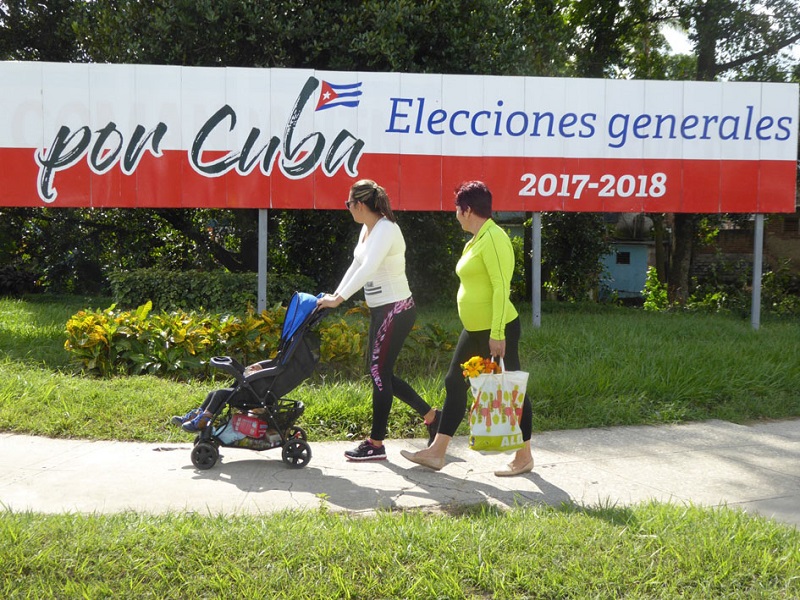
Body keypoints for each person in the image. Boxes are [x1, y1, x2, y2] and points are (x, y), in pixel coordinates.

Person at [400, 180, 534, 477]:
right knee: (453, 382)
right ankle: (437, 452)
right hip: (475, 329)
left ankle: (524, 456)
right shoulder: (475, 240)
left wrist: (497, 333)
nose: (455, 214)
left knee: (512, 391)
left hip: (498, 329)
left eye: (457, 208)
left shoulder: (495, 238)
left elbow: (501, 288)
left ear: (467, 209)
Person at [317, 179, 440, 461]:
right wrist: (336, 294)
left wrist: (340, 300)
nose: (347, 209)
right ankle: (432, 417)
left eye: (348, 204)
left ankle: (376, 443)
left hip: (395, 309)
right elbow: (357, 264)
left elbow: (370, 266)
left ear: (360, 205)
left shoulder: (386, 229)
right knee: (379, 370)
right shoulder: (368, 229)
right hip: (382, 310)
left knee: (378, 371)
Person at [171, 363, 265, 432]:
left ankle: (202, 421)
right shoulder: (275, 363)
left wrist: (256, 371)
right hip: (247, 391)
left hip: (251, 396)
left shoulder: (272, 371)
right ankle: (195, 416)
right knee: (213, 393)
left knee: (220, 394)